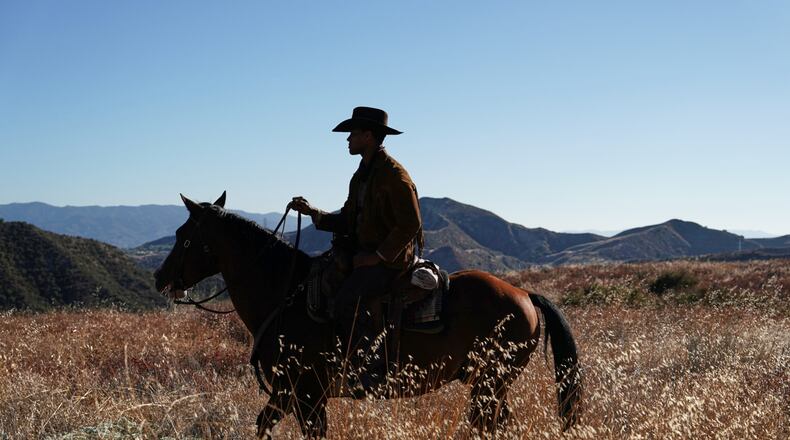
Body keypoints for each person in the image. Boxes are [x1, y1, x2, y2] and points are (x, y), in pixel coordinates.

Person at [289, 106, 423, 395]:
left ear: (369, 136)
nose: (347, 139)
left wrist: (378, 257)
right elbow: (350, 219)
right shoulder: (361, 175)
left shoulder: (394, 176)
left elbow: (411, 223)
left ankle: (371, 371)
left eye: (353, 133)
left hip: (391, 260)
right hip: (367, 254)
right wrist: (315, 213)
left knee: (350, 298)